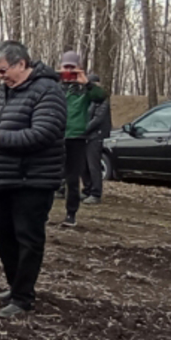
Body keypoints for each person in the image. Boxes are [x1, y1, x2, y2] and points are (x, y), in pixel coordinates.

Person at [0, 41, 66, 318]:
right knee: (3, 236)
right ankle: (15, 286)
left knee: (27, 238)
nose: (0, 76)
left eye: (3, 70)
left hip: (34, 178)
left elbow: (44, 132)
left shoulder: (48, 91)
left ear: (21, 64)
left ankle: (23, 297)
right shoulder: (4, 91)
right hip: (5, 176)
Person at [57, 51, 108, 227]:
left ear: (79, 69)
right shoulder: (54, 86)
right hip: (55, 137)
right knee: (49, 177)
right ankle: (43, 212)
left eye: (73, 67)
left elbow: (101, 97)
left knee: (72, 179)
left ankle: (71, 214)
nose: (69, 71)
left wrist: (85, 82)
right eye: (66, 67)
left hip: (76, 138)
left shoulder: (85, 90)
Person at [82, 71, 111, 204]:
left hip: (96, 135)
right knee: (84, 165)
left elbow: (98, 119)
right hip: (86, 135)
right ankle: (87, 190)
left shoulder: (102, 99)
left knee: (94, 165)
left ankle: (96, 193)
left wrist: (83, 129)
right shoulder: (88, 98)